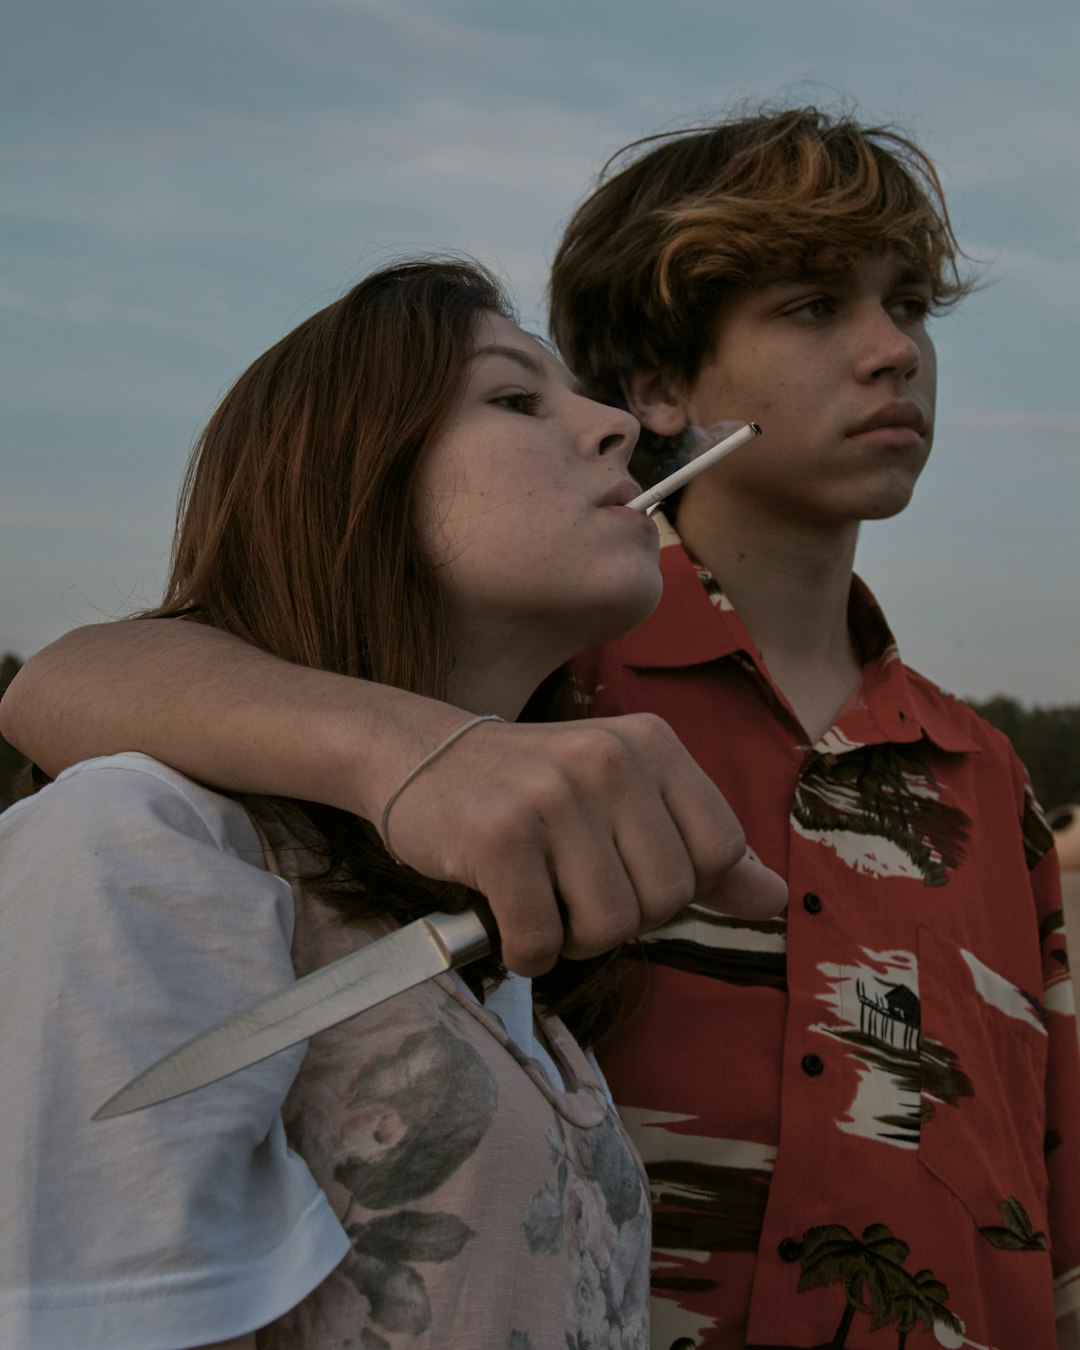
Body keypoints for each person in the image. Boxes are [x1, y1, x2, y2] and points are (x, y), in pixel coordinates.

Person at [4, 106, 1078, 1348]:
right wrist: (419, 753)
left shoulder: (979, 767)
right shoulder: (541, 685)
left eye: (912, 306)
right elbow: (80, 684)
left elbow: (1041, 1161)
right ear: (659, 386)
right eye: (811, 307)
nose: (894, 350)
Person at [0, 256, 786, 1350]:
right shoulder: (148, 845)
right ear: (349, 482)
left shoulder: (499, 953)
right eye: (515, 399)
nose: (614, 426)